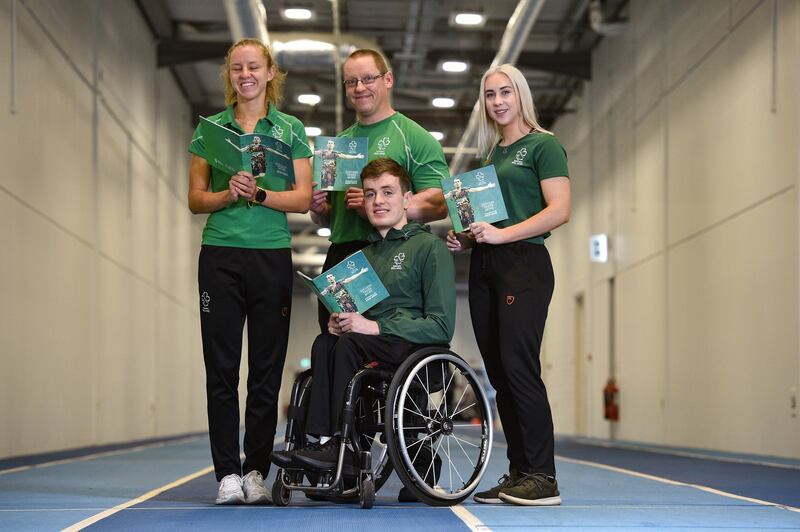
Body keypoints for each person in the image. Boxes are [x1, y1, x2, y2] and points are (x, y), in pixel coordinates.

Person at [272, 157, 455, 488]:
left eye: (387, 192)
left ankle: (348, 449)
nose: (378, 201)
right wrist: (341, 321)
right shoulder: (365, 257)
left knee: (349, 345)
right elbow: (358, 319)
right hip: (371, 345)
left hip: (415, 348)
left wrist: (375, 327)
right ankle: (320, 441)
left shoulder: (429, 248)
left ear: (407, 199)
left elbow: (442, 326)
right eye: (370, 194)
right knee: (325, 341)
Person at [187, 38, 312, 505]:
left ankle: (256, 469)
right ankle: (226, 474)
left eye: (254, 67)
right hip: (220, 254)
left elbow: (301, 198)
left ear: (269, 72)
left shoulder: (290, 129)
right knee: (220, 369)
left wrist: (258, 194)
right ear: (230, 75)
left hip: (270, 255)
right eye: (237, 68)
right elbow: (195, 197)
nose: (246, 74)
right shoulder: (211, 130)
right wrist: (228, 194)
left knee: (265, 370)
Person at [447, 64, 570, 506]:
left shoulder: (544, 145)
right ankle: (520, 471)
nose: (497, 101)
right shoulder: (491, 158)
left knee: (520, 369)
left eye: (505, 92)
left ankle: (543, 477)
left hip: (524, 263)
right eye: (490, 94)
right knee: (500, 373)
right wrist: (465, 234)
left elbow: (559, 210)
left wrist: (502, 234)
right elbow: (489, 220)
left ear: (520, 96)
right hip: (486, 264)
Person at [309, 48, 449, 334]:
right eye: (351, 82)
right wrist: (318, 207)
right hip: (342, 255)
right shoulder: (338, 146)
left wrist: (376, 206)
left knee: (376, 342)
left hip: (392, 254)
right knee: (332, 344)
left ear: (388, 79)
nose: (360, 88)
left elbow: (440, 202)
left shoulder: (414, 137)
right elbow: (329, 219)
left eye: (368, 78)